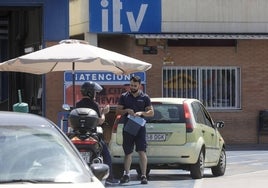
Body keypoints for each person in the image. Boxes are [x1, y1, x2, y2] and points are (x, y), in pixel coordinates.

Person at [76, 81, 119, 186]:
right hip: (91, 134)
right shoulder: (94, 104)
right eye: (95, 92)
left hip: (78, 134)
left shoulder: (78, 104)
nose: (96, 94)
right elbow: (100, 121)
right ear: (91, 93)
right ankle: (110, 178)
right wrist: (104, 112)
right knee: (106, 154)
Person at [116, 76, 154, 184]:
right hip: (128, 128)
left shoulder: (145, 97)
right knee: (128, 152)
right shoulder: (124, 96)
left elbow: (151, 113)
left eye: (135, 86)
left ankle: (143, 175)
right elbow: (118, 111)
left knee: (142, 151)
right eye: (131, 85)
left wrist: (142, 113)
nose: (132, 87)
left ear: (139, 86)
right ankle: (126, 174)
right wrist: (127, 110)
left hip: (140, 128)